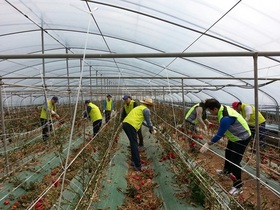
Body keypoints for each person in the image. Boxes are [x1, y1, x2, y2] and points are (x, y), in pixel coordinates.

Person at [200, 99, 251, 196]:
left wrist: (208, 144)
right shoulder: (222, 108)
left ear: (215, 109)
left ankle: (238, 186)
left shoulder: (225, 118)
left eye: (209, 111)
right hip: (234, 136)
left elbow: (219, 135)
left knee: (235, 162)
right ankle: (227, 171)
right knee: (228, 153)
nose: (209, 112)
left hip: (241, 138)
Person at [122, 98, 155, 171]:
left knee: (133, 144)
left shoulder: (139, 108)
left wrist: (152, 127)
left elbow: (143, 122)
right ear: (149, 105)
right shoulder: (146, 110)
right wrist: (152, 129)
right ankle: (138, 165)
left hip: (126, 124)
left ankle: (134, 161)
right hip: (131, 125)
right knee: (134, 145)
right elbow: (148, 121)